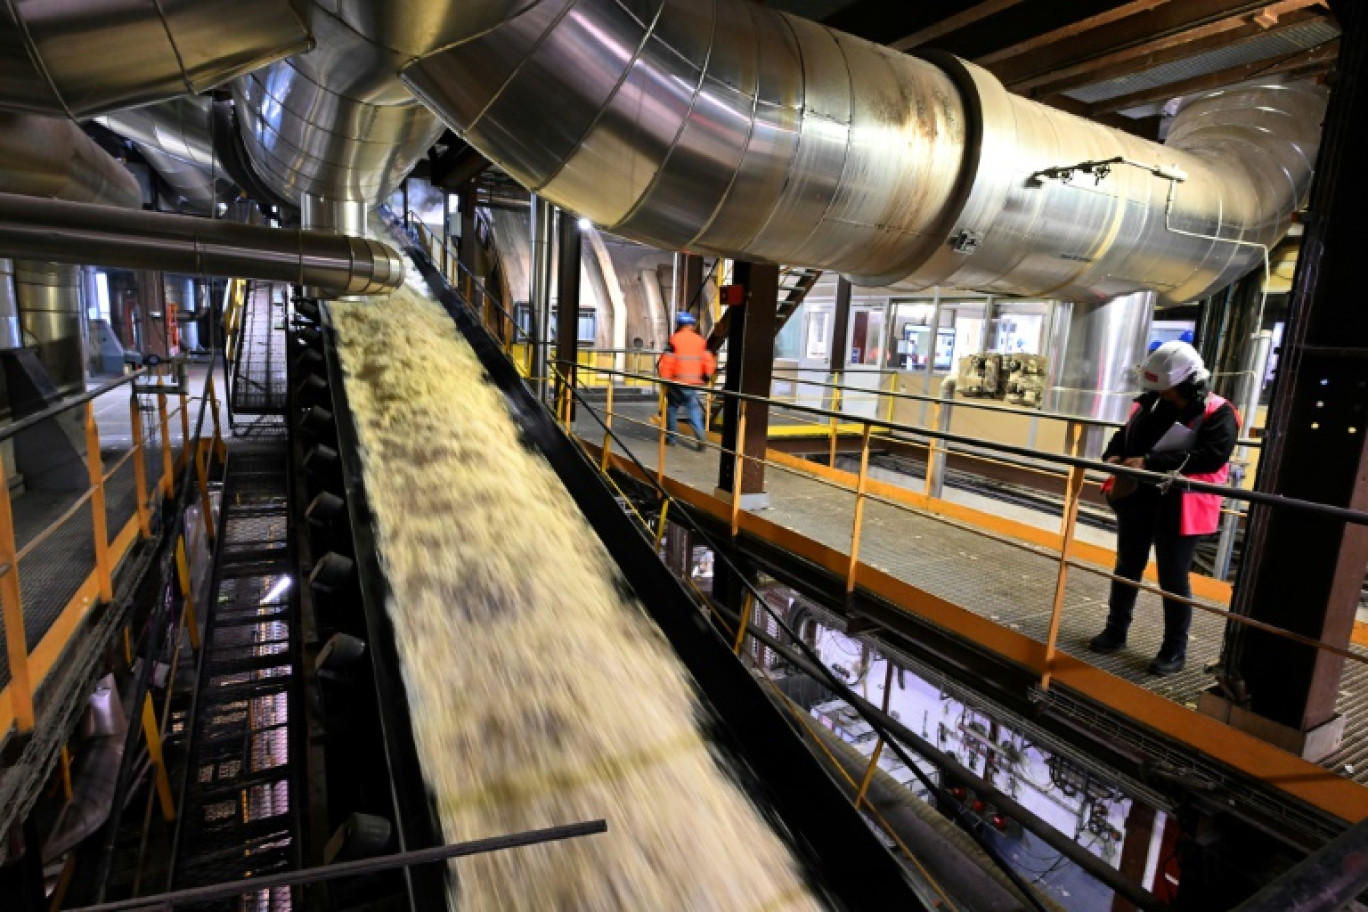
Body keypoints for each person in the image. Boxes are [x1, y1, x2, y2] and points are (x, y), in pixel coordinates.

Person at [1088, 341, 1239, 676]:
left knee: (1173, 577)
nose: (1163, 395)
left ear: (1187, 383)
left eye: (1168, 389)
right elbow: (1125, 434)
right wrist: (1113, 455)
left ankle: (1174, 650)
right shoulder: (1152, 401)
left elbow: (1212, 456)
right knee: (1127, 565)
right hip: (1138, 498)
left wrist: (1152, 461)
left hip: (1181, 504)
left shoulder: (1219, 412)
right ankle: (1115, 631)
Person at [658, 312, 716, 451]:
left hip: (676, 382)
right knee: (693, 410)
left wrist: (664, 379)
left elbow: (667, 362)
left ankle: (671, 439)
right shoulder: (700, 341)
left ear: (679, 325)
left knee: (672, 408)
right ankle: (701, 437)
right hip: (692, 383)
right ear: (691, 325)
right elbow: (708, 359)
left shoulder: (674, 340)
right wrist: (707, 375)